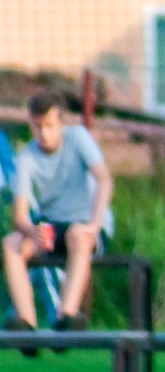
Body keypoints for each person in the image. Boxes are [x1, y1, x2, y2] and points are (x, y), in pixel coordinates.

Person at [3, 92, 113, 343]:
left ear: (61, 123)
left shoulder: (78, 139)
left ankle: (67, 316)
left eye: (50, 126)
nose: (44, 134)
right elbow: (19, 216)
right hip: (52, 226)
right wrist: (32, 231)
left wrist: (94, 226)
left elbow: (104, 180)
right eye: (37, 126)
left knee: (77, 235)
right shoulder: (27, 157)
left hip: (85, 224)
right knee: (11, 244)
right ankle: (26, 323)